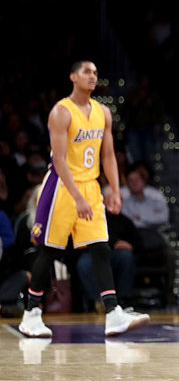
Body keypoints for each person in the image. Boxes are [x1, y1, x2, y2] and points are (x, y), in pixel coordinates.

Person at [18, 61, 150, 338]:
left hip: (90, 186)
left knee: (100, 247)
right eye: (87, 72)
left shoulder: (103, 112)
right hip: (61, 187)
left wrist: (114, 189)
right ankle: (31, 313)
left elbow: (109, 155)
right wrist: (76, 197)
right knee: (50, 250)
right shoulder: (61, 112)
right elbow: (61, 160)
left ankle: (113, 313)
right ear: (73, 77)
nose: (93, 76)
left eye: (95, 73)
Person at [76, 186, 141, 312]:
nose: (117, 202)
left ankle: (123, 299)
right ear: (103, 200)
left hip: (115, 255)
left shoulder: (124, 220)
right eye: (112, 198)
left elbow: (139, 242)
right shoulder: (94, 216)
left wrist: (131, 245)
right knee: (83, 263)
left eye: (119, 199)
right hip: (94, 253)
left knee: (126, 257)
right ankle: (95, 301)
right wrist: (114, 242)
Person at [120, 163, 169, 230]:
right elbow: (127, 223)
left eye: (137, 179)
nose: (134, 183)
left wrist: (140, 217)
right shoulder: (124, 203)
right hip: (132, 235)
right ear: (127, 185)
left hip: (153, 233)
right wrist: (151, 219)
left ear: (144, 182)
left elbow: (163, 218)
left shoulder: (154, 199)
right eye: (131, 181)